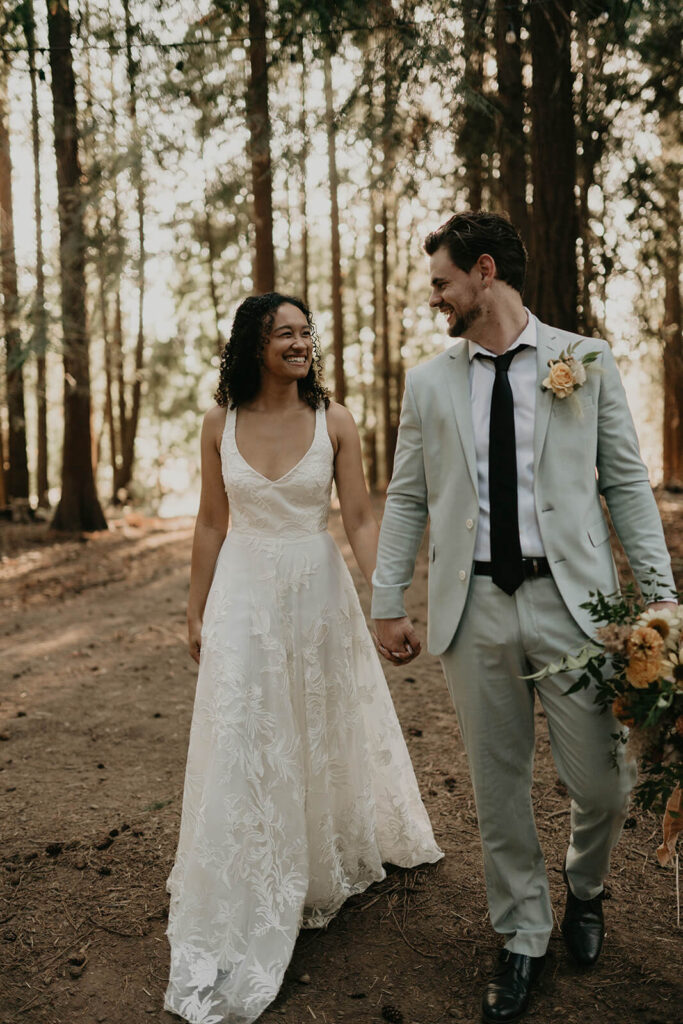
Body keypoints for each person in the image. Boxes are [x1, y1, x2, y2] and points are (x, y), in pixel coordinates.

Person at [371, 212, 676, 1024]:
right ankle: (520, 933)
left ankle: (585, 887)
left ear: (481, 272)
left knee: (602, 783)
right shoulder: (429, 381)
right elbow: (406, 498)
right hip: (472, 608)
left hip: (572, 606)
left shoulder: (584, 361)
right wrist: (385, 601)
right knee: (496, 785)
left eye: (441, 282)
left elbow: (625, 487)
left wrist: (661, 596)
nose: (434, 298)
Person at [164, 292, 442, 1024]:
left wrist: (388, 602)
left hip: (318, 596)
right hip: (244, 598)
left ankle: (322, 856)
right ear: (251, 345)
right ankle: (253, 866)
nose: (299, 342)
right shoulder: (218, 423)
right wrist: (194, 608)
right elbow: (209, 521)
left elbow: (356, 516)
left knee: (318, 728)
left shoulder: (335, 419)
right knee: (251, 734)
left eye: (303, 331)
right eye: (282, 333)